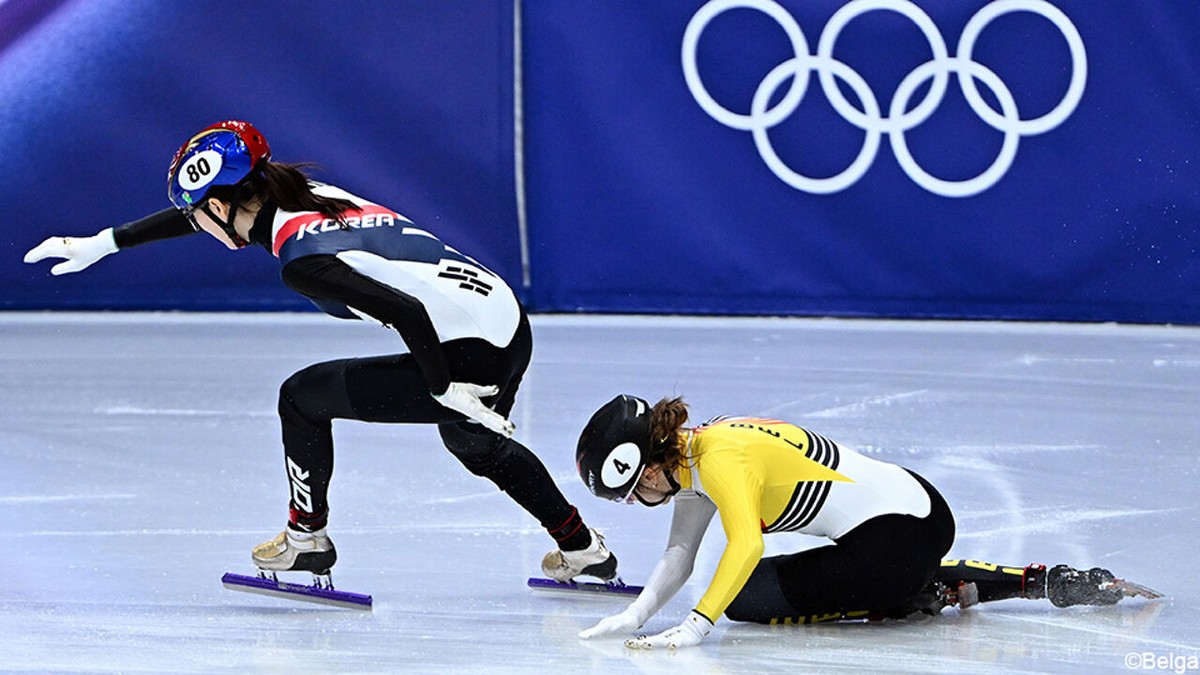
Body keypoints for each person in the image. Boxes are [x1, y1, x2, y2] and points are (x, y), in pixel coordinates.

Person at [23, 119, 617, 585]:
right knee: (472, 442)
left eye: (199, 214)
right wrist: (105, 242)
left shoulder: (302, 263)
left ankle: (306, 539)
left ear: (223, 205)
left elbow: (405, 314)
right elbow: (202, 216)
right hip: (505, 320)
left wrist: (445, 390)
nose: (198, 225)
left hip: (466, 351)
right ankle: (582, 549)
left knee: (303, 398)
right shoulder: (298, 190)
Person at [572, 394, 1160, 650]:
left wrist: (697, 628)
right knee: (742, 590)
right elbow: (681, 555)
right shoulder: (693, 454)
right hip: (916, 505)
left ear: (646, 472)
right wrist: (635, 614)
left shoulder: (720, 460)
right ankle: (1016, 581)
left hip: (897, 540)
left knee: (741, 600)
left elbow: (745, 543)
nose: (634, 504)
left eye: (627, 496)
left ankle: (927, 589)